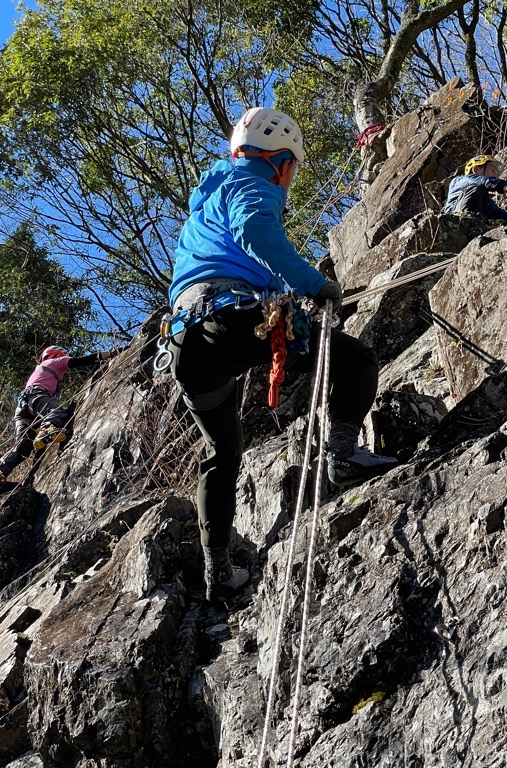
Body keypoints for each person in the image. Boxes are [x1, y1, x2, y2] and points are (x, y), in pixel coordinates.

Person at [167, 106, 398, 601]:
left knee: (222, 453)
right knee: (354, 359)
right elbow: (257, 232)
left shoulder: (204, 209)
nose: (291, 179)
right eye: (292, 167)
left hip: (189, 348)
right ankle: (343, 456)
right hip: (230, 320)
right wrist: (316, 286)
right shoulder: (252, 184)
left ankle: (218, 570)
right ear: (282, 163)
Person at [0, 345, 125, 488]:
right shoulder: (53, 362)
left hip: (22, 408)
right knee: (57, 412)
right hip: (36, 396)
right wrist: (112, 353)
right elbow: (79, 361)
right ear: (56, 354)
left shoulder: (42, 371)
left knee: (23, 445)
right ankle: (47, 429)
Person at [442, 155, 507, 225]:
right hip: (454, 222)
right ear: (476, 169)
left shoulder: (486, 202)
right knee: (476, 190)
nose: (495, 177)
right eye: (492, 171)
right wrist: (504, 186)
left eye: (497, 176)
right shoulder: (458, 181)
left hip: (476, 230)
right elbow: (480, 181)